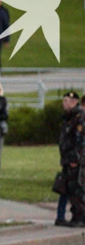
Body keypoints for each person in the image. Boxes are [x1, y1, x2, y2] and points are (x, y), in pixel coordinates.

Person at [56, 92, 85, 227]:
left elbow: (79, 141)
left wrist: (75, 158)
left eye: (67, 101)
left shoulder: (79, 117)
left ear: (74, 102)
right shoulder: (68, 118)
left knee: (76, 188)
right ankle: (64, 217)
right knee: (66, 187)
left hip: (75, 160)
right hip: (67, 159)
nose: (64, 104)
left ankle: (79, 217)